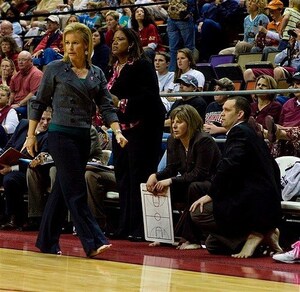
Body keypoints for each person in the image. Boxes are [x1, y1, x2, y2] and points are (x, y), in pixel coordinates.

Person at [22, 22, 127, 258]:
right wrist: (30, 136)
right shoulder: (54, 69)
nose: (70, 47)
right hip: (60, 135)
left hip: (83, 137)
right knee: (76, 189)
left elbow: (106, 106)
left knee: (62, 188)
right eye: (67, 43)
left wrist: (117, 131)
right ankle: (93, 241)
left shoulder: (97, 73)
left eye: (75, 43)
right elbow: (38, 102)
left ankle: (47, 240)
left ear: (86, 45)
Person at [189, 96, 283, 258]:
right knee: (213, 244)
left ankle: (254, 236)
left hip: (253, 201)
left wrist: (211, 194)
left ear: (239, 114)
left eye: (227, 110)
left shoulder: (239, 132)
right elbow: (273, 167)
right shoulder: (249, 132)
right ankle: (264, 235)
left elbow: (229, 166)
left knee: (199, 212)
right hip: (264, 198)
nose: (221, 114)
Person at [107, 27, 165, 241]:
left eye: (120, 39)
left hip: (144, 129)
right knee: (122, 176)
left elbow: (150, 98)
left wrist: (120, 103)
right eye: (114, 39)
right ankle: (124, 226)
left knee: (138, 177)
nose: (115, 43)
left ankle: (141, 228)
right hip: (121, 129)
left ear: (131, 43)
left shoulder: (142, 65)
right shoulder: (113, 67)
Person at [146, 104, 221, 248]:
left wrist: (171, 181)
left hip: (212, 186)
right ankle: (164, 235)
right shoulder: (173, 141)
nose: (174, 126)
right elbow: (171, 168)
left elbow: (201, 174)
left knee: (194, 187)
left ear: (190, 123)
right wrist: (155, 175)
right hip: (191, 182)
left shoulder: (204, 141)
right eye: (173, 121)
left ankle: (193, 239)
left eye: (179, 122)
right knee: (161, 188)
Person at [0, 108, 51, 230]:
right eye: (41, 119)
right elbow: (9, 145)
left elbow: (38, 162)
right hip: (7, 163)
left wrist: (11, 168)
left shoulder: (49, 136)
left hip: (28, 171)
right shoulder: (23, 124)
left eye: (48, 120)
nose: (45, 123)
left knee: (10, 180)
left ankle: (15, 217)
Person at [9, 51, 43, 119]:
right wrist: (8, 105)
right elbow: (12, 92)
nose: (20, 62)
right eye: (19, 60)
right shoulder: (15, 76)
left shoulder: (36, 74)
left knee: (12, 112)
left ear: (31, 61)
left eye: (23, 60)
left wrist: (19, 104)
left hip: (28, 106)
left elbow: (33, 94)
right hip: (16, 104)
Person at [167, 0, 198, 71]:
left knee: (175, 48)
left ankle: (175, 72)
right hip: (178, 18)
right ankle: (187, 70)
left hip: (175, 17)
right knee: (187, 47)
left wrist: (189, 13)